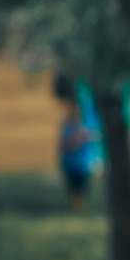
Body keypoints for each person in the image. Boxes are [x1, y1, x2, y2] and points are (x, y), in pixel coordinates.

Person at [54, 76, 100, 211]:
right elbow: (63, 145)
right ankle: (76, 207)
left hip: (82, 164)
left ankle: (79, 207)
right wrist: (76, 139)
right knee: (74, 188)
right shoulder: (66, 126)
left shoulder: (85, 124)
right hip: (71, 164)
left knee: (82, 188)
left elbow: (95, 136)